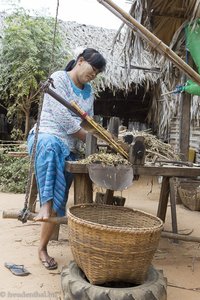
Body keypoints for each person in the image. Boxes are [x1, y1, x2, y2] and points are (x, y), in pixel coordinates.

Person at [27, 48, 106, 270]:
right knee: (52, 146)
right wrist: (88, 138)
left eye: (98, 73)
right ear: (80, 61)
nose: (94, 75)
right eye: (93, 69)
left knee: (61, 197)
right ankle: (44, 205)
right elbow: (62, 117)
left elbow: (86, 120)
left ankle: (42, 246)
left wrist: (97, 136)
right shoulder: (58, 78)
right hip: (46, 136)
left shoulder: (88, 92)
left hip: (70, 146)